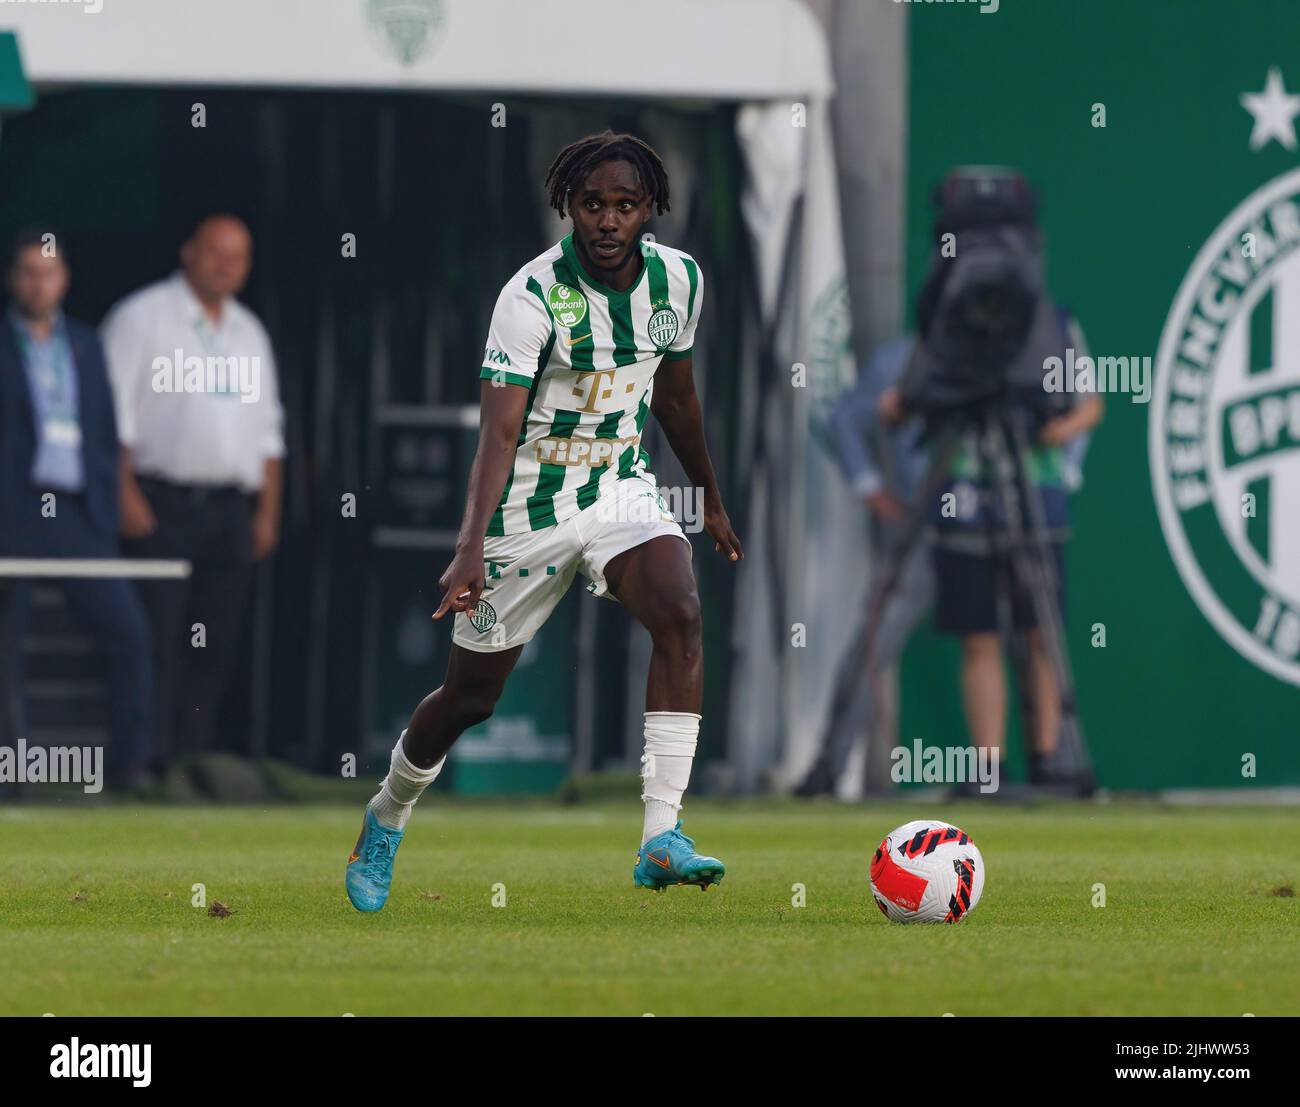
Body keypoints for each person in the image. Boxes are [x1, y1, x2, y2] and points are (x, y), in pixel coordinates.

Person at [345, 131, 744, 912]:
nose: (607, 220)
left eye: (625, 205)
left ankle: (661, 835)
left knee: (681, 609)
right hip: (524, 508)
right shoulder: (529, 298)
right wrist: (468, 547)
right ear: (568, 205)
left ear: (649, 210)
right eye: (592, 203)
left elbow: (675, 397)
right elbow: (497, 432)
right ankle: (386, 813)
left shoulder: (680, 283)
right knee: (470, 698)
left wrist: (711, 495)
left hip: (616, 488)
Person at [100, 215, 285, 765]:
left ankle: (188, 762)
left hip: (229, 509)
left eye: (239, 256)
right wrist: (123, 492)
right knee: (155, 638)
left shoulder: (248, 330)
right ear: (188, 253)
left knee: (217, 643)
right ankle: (142, 764)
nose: (227, 265)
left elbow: (268, 434)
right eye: (216, 253)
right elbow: (111, 418)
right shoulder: (141, 317)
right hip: (161, 504)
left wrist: (267, 515)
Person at [0, 229, 153, 787]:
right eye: (27, 272)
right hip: (12, 513)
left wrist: (106, 509)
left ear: (64, 278)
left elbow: (105, 434)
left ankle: (132, 764)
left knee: (128, 628)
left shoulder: (86, 345)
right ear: (12, 278)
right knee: (4, 646)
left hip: (75, 514)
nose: (38, 284)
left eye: (48, 272)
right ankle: (9, 772)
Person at [794, 334, 935, 798]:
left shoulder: (1019, 355)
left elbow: (1079, 408)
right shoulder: (906, 359)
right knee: (874, 642)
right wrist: (872, 488)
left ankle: (1036, 767)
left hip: (995, 520)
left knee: (1012, 641)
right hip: (923, 526)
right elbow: (847, 419)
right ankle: (829, 765)